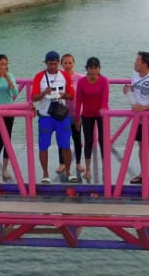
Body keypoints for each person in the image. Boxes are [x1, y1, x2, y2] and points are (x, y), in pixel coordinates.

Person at [30, 50, 76, 183]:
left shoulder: (65, 76)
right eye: (50, 64)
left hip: (61, 116)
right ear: (45, 63)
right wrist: (44, 92)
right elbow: (33, 97)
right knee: (43, 146)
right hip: (45, 116)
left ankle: (68, 172)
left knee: (66, 145)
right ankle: (45, 174)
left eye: (55, 64)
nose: (53, 67)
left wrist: (63, 95)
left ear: (59, 64)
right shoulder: (39, 77)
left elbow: (71, 95)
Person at [121, 50, 149, 184]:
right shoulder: (135, 74)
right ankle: (143, 171)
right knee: (140, 145)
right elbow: (137, 89)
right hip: (138, 119)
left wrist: (144, 108)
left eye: (138, 61)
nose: (135, 63)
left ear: (145, 64)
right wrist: (129, 89)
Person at [77, 56, 108, 177]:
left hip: (101, 114)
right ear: (87, 69)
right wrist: (77, 117)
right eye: (91, 68)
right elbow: (79, 100)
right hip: (87, 114)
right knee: (88, 141)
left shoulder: (104, 80)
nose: (94, 71)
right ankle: (88, 169)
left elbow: (105, 99)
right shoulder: (82, 82)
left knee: (102, 140)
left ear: (99, 69)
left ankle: (105, 167)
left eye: (96, 68)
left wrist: (104, 109)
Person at [60, 53, 86, 179]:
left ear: (74, 63)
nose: (68, 65)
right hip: (61, 113)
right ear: (61, 64)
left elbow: (86, 93)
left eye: (70, 62)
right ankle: (62, 163)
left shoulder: (80, 78)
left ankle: (78, 162)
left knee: (77, 139)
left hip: (76, 114)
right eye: (65, 63)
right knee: (63, 139)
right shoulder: (58, 77)